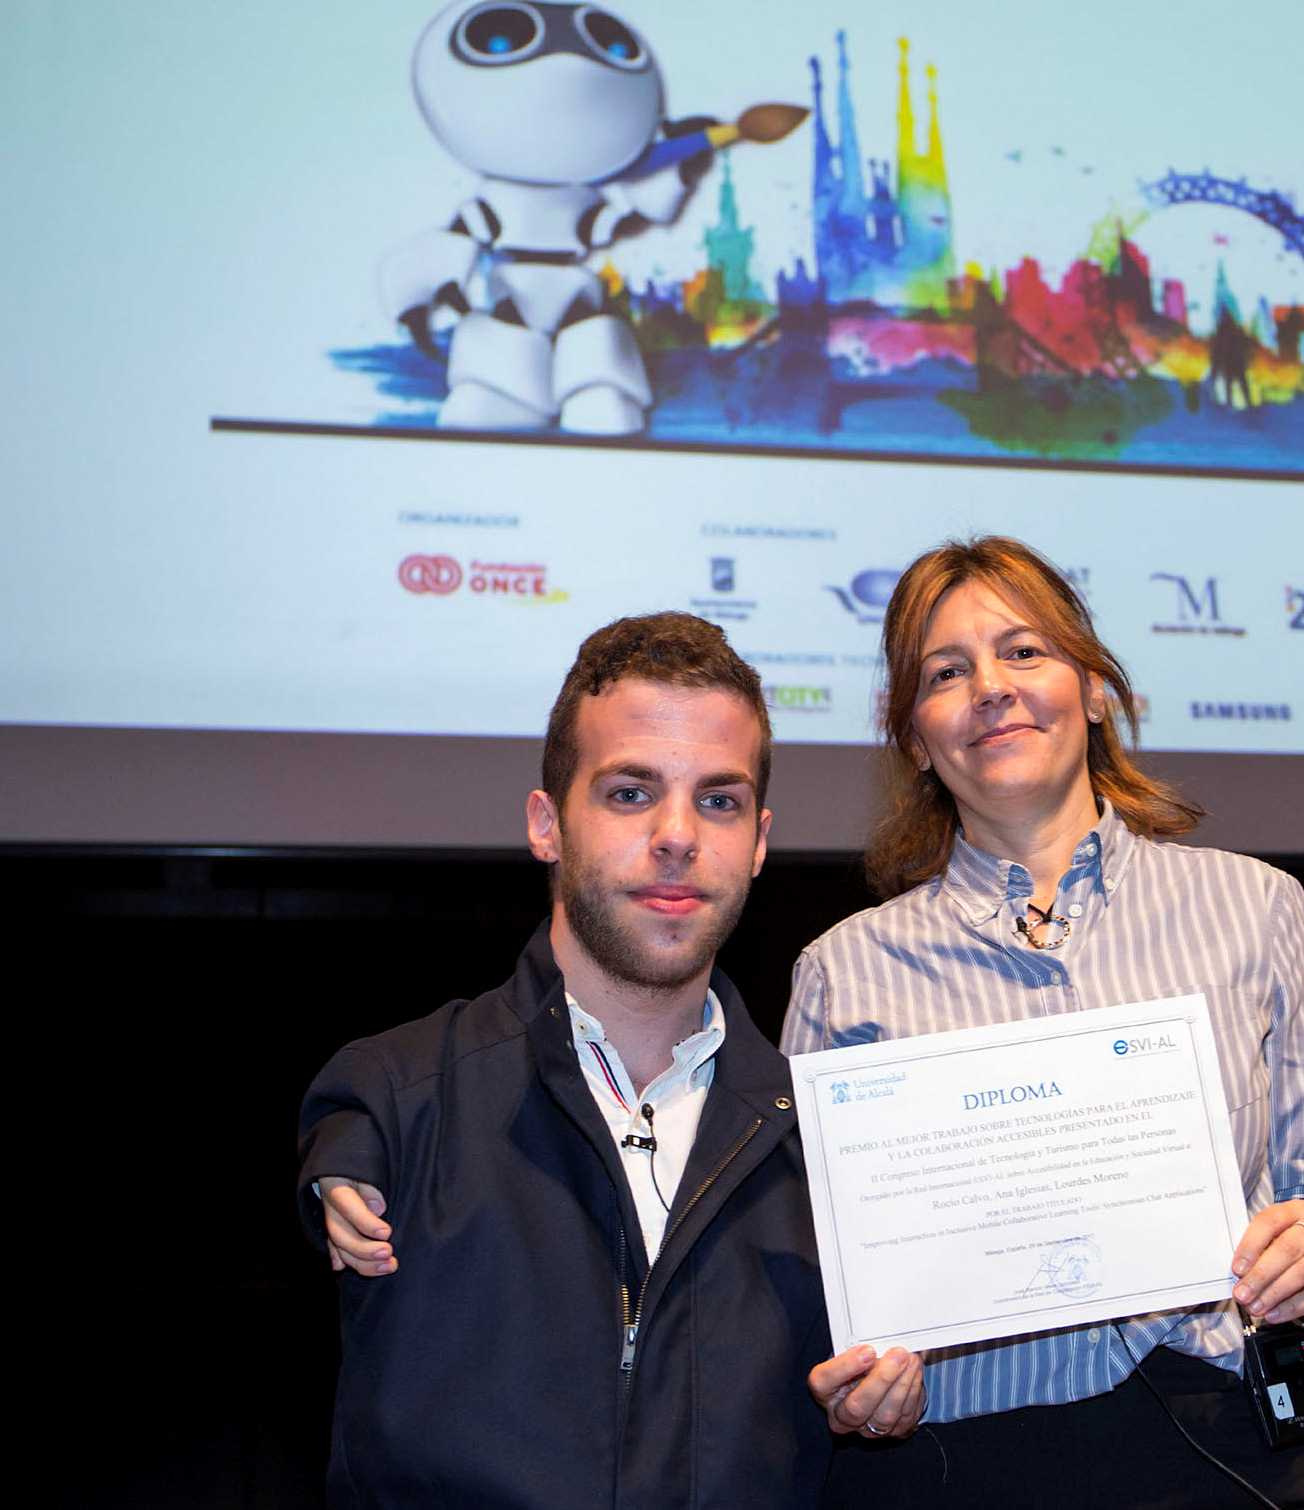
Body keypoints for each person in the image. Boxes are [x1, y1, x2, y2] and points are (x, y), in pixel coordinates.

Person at [783, 538, 1304, 1508]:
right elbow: (825, 1286)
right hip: (959, 1455)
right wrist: (856, 1380)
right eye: (946, 671)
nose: (990, 687)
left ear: (1095, 689)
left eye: (1024, 651)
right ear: (912, 736)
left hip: (1228, 1432)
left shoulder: (1254, 906)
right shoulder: (842, 970)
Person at [297, 613, 919, 1508]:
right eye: (631, 792)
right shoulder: (398, 1099)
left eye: (719, 799)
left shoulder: (830, 1144)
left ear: (760, 841)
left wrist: (881, 1400)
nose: (678, 834)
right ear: (546, 824)